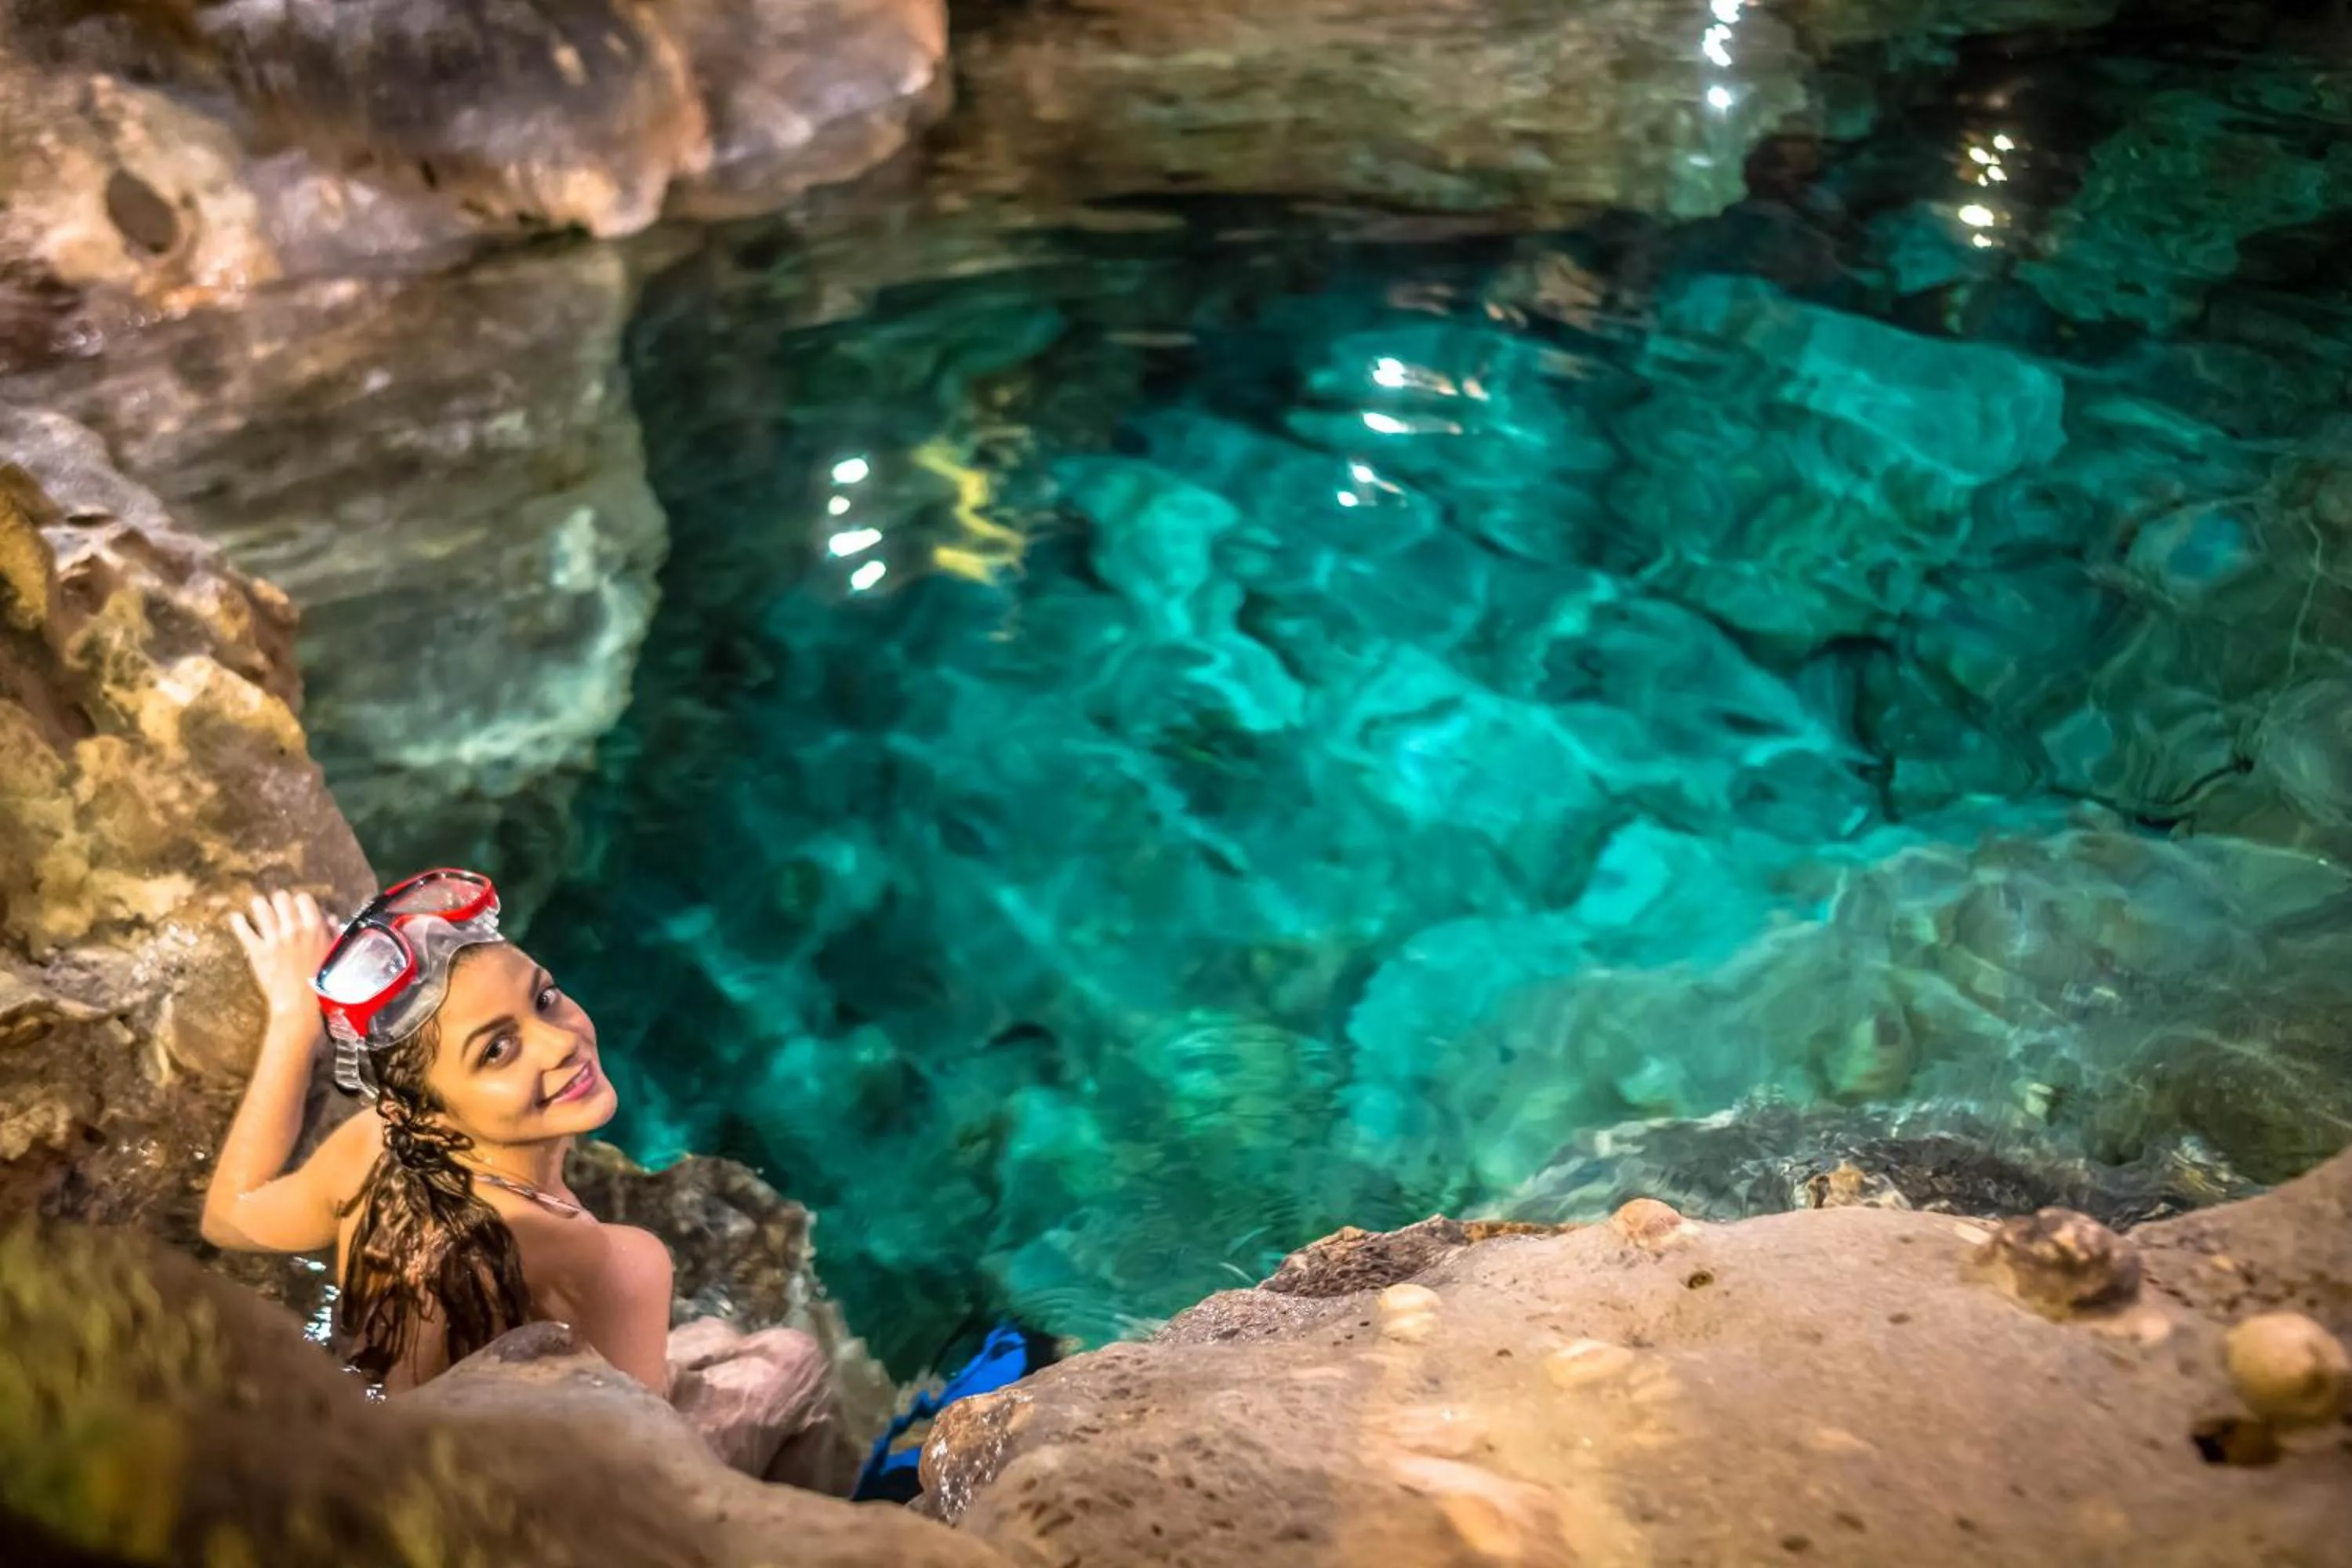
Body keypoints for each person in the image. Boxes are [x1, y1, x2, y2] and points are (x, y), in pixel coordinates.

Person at [200, 871, 674, 1393]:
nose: (559, 1042)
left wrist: (292, 1018)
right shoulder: (617, 1266)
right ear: (420, 1114)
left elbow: (230, 1216)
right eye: (497, 1050)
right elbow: (643, 1443)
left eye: (543, 998)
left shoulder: (374, 1147)